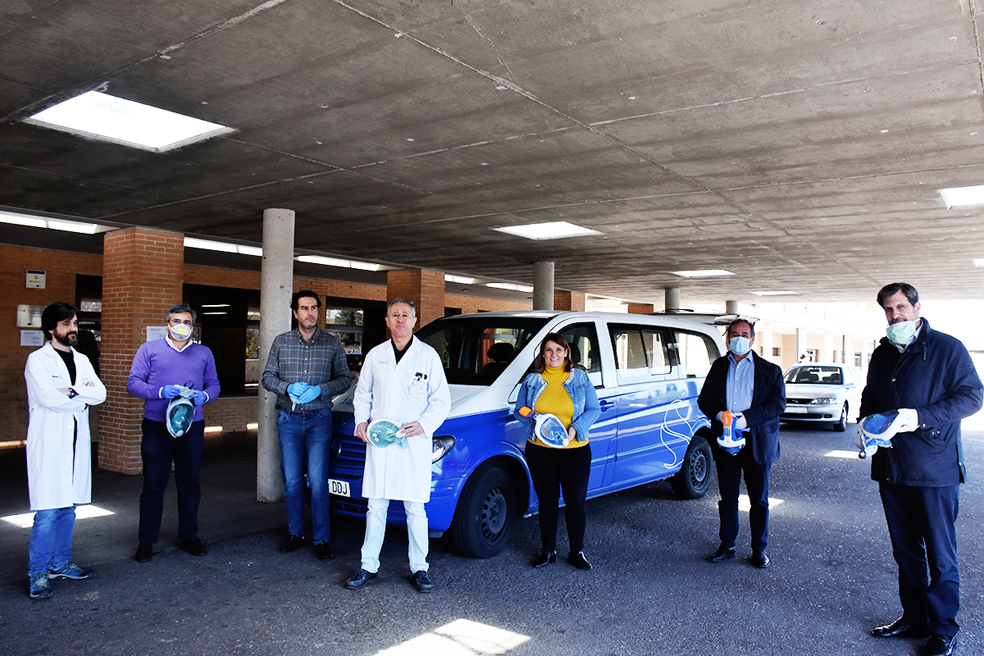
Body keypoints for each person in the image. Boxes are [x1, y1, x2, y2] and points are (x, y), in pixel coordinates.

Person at [860, 283, 982, 656]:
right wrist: (866, 425)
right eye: (888, 310)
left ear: (916, 308)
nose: (894, 316)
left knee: (941, 556)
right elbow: (870, 397)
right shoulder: (882, 354)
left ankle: (944, 629)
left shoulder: (947, 348)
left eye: (900, 308)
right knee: (905, 552)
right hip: (892, 468)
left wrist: (919, 417)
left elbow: (973, 396)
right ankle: (915, 618)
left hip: (934, 470)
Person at [345, 298, 451, 593]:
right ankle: (368, 565)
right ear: (388, 321)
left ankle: (420, 568)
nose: (400, 320)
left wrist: (424, 425)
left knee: (415, 508)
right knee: (375, 507)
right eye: (395, 315)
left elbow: (441, 400)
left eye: (406, 315)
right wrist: (361, 422)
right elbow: (362, 394)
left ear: (415, 320)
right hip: (380, 442)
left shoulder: (427, 355)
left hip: (412, 442)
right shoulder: (376, 355)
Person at [24, 302, 107, 599]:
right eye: (67, 324)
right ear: (51, 328)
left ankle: (60, 562)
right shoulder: (38, 360)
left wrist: (73, 392)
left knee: (68, 508)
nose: (73, 328)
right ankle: (38, 572)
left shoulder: (82, 359)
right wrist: (80, 397)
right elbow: (48, 398)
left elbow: (100, 393)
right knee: (47, 511)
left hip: (74, 443)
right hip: (49, 443)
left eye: (74, 323)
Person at [127, 303, 220, 563]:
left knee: (189, 481)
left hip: (191, 424)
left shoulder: (203, 353)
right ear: (167, 324)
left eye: (187, 322)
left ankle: (189, 536)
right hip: (157, 424)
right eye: (177, 321)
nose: (182, 326)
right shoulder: (149, 350)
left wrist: (205, 395)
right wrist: (158, 392)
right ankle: (146, 541)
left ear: (193, 326)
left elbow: (214, 383)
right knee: (154, 483)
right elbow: (133, 382)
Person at [262, 290, 351, 559]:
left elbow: (344, 380)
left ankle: (321, 539)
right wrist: (287, 387)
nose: (309, 312)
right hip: (289, 418)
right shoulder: (281, 342)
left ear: (318, 311)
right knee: (291, 481)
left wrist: (320, 390)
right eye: (304, 308)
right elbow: (267, 377)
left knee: (318, 481)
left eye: (313, 308)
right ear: (295, 312)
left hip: (319, 420)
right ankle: (295, 533)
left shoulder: (332, 344)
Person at [698, 318, 785, 569]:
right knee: (728, 497)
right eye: (734, 334)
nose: (739, 338)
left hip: (757, 442)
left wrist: (746, 419)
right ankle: (727, 545)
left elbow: (777, 404)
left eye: (744, 334)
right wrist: (720, 416)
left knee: (759, 500)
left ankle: (759, 549)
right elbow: (704, 400)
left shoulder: (770, 370)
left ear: (753, 339)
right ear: (727, 338)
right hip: (726, 441)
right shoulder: (718, 367)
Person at [513, 333, 600, 570]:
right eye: (549, 350)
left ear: (566, 353)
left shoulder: (580, 378)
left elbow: (594, 409)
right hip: (541, 450)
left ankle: (576, 552)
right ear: (543, 354)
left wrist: (576, 428)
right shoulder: (532, 380)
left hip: (576, 451)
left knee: (576, 502)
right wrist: (532, 417)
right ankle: (548, 551)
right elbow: (518, 410)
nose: (554, 355)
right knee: (547, 502)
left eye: (559, 350)